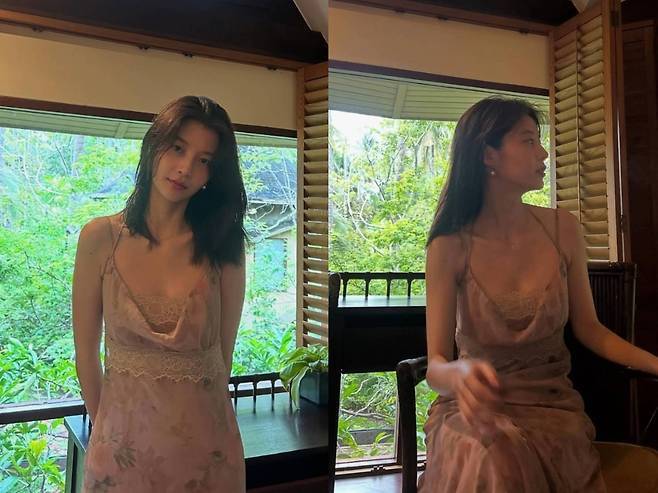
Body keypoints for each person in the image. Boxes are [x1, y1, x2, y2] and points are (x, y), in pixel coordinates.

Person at [420, 97, 658, 492]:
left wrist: (655, 362)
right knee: (492, 455)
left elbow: (590, 329)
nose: (544, 153)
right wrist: (459, 374)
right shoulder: (448, 245)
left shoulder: (563, 228)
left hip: (551, 407)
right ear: (488, 155)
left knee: (508, 454)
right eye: (529, 141)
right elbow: (435, 365)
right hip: (473, 414)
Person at [72, 96, 247, 492]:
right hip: (120, 455)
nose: (185, 168)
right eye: (178, 148)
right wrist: (108, 434)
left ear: (213, 175)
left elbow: (223, 359)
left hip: (207, 454)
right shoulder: (100, 238)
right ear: (154, 146)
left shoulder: (224, 247)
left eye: (204, 160)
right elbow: (85, 355)